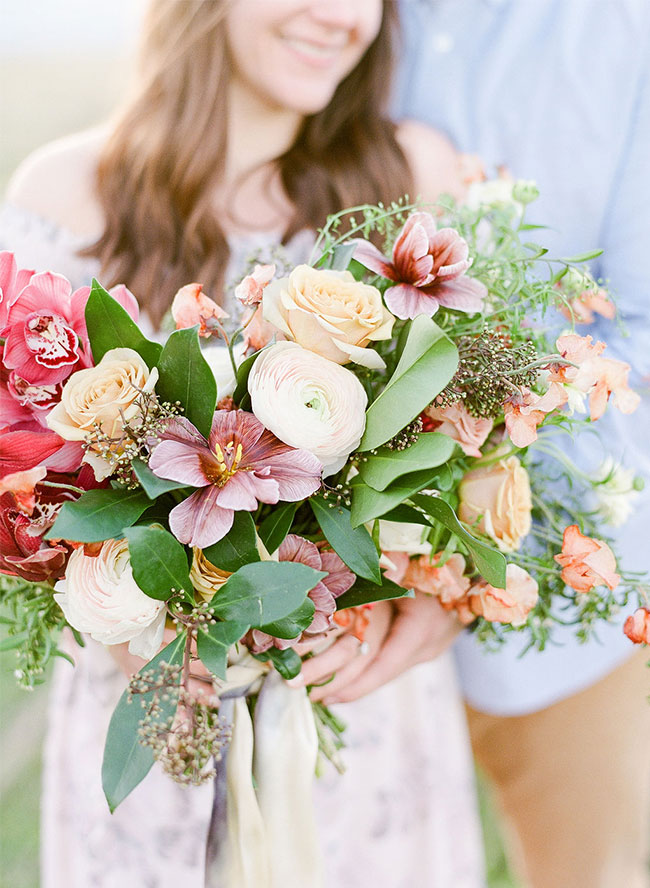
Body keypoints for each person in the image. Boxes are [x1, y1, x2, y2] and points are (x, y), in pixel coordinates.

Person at [2, 2, 485, 886]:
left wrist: (436, 601)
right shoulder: (63, 197)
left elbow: (485, 449)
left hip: (361, 731)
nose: (339, 15)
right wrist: (114, 617)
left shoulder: (413, 173)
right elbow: (14, 483)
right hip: (153, 732)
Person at [388, 2, 650, 886]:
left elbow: (644, 339)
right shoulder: (323, 20)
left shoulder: (621, 34)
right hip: (338, 603)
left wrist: (461, 537)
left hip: (566, 614)